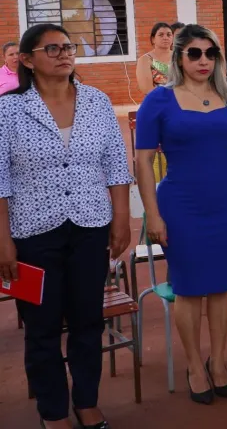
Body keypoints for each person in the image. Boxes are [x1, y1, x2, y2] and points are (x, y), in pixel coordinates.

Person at [0, 24, 132, 429]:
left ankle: (86, 401)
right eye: (52, 49)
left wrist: (121, 219)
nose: (64, 54)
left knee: (87, 319)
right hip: (31, 233)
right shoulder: (8, 110)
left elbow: (115, 164)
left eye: (68, 47)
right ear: (27, 60)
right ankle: (53, 411)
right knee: (41, 327)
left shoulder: (96, 101)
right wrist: (3, 242)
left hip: (90, 226)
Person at [134, 24, 227, 405]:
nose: (203, 60)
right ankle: (193, 366)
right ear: (178, 57)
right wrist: (152, 214)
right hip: (180, 206)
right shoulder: (158, 100)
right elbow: (143, 162)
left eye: (210, 53)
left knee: (222, 286)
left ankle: (218, 362)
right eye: (194, 53)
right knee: (188, 289)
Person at [136, 22, 174, 94]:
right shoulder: (145, 60)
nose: (165, 38)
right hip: (157, 99)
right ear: (153, 39)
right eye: (161, 35)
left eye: (169, 35)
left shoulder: (180, 57)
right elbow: (146, 89)